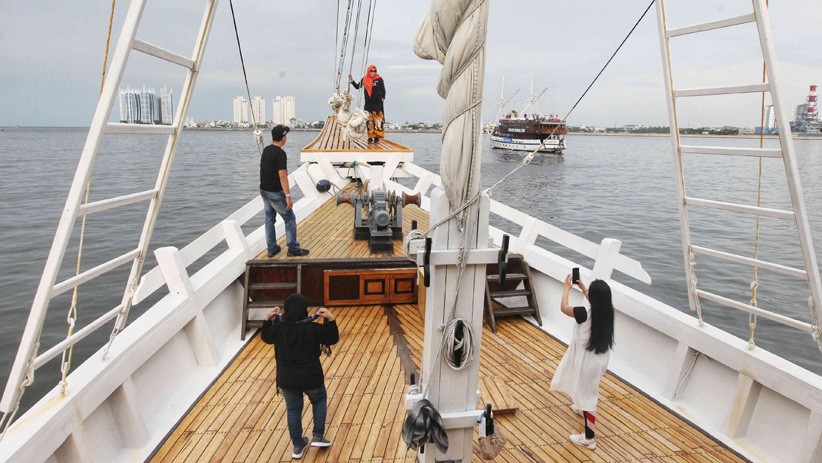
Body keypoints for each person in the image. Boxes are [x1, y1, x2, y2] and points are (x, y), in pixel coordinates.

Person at [261, 293, 339, 459]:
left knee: (293, 410)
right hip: (312, 377)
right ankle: (318, 436)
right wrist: (330, 319)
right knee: (318, 400)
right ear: (304, 310)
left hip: (287, 380)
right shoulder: (314, 329)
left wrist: (267, 319)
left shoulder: (279, 329)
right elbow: (332, 338)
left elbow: (266, 337)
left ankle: (298, 445)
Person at [550, 276, 615, 450]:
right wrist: (582, 286)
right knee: (587, 389)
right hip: (601, 357)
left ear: (593, 298)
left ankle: (589, 438)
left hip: (588, 360)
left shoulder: (583, 313)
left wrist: (566, 289)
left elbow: (564, 308)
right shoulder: (607, 310)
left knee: (588, 396)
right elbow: (593, 299)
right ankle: (581, 408)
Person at [260, 124, 309, 257]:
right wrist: (287, 195)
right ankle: (293, 248)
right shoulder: (280, 153)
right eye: (285, 135)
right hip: (275, 192)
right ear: (283, 138)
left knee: (269, 219)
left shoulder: (266, 150)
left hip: (264, 190)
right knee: (290, 219)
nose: (286, 138)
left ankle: (271, 248)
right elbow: (282, 176)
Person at [349, 64, 386, 144]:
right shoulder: (365, 79)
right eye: (371, 71)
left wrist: (383, 97)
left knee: (378, 121)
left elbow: (383, 90)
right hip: (369, 104)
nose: (373, 72)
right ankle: (370, 137)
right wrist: (352, 80)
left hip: (378, 104)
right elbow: (357, 86)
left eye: (375, 71)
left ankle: (377, 137)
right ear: (369, 71)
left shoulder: (379, 79)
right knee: (369, 121)